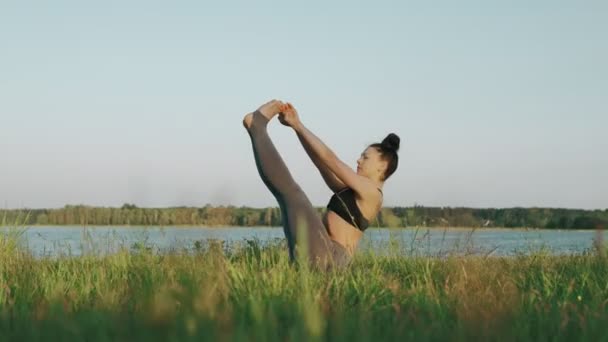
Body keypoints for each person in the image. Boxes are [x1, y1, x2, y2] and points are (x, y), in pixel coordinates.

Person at [243, 100, 400, 269]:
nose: (358, 160)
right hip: (323, 251)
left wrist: (300, 125)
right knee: (286, 195)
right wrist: (296, 127)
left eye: (365, 157)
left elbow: (331, 159)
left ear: (382, 166)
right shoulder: (354, 190)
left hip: (332, 257)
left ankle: (257, 126)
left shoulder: (373, 194)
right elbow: (321, 162)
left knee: (293, 194)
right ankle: (257, 128)